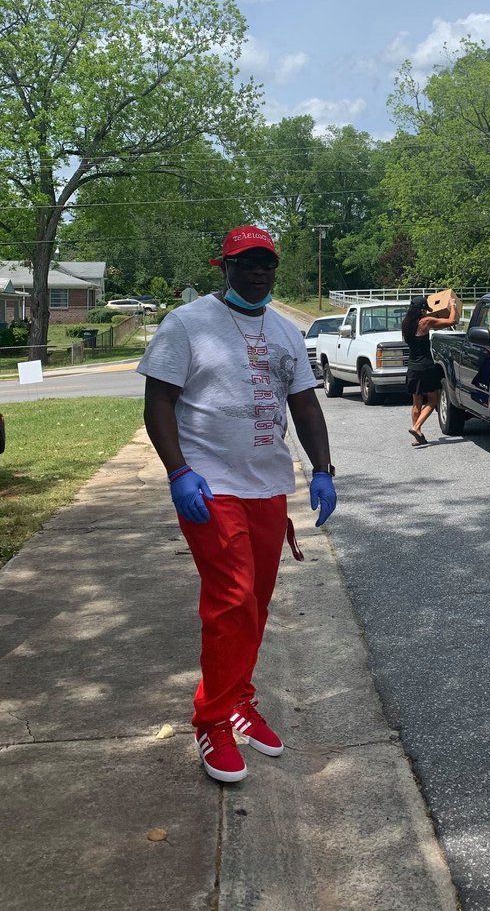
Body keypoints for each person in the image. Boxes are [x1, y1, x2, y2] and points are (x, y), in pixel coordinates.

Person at [138, 226, 337, 784]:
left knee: (256, 601)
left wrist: (322, 470)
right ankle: (211, 721)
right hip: (208, 485)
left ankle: (238, 701)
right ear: (222, 267)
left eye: (266, 263)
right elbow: (158, 403)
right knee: (230, 598)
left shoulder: (285, 331)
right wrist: (178, 472)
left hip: (267, 485)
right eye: (245, 263)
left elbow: (305, 406)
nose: (257, 272)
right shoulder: (187, 324)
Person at [402, 293, 460, 446]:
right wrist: (453, 305)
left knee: (416, 402)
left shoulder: (406, 324)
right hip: (426, 367)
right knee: (433, 400)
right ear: (421, 310)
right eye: (425, 310)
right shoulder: (425, 322)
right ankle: (416, 427)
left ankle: (416, 437)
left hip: (412, 367)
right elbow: (452, 321)